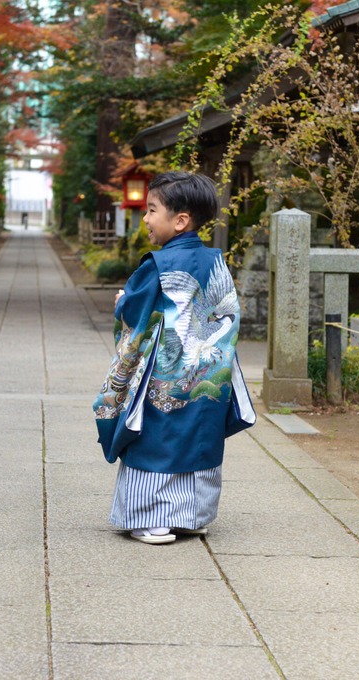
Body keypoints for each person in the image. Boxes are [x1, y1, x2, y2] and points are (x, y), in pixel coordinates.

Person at [93, 171, 256, 544]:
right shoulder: (217, 261)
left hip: (164, 375)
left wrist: (121, 305)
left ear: (180, 220)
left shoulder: (157, 265)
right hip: (209, 371)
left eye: (152, 210)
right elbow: (227, 313)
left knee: (155, 436)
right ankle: (190, 514)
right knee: (201, 434)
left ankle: (150, 516)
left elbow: (136, 312)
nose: (146, 218)